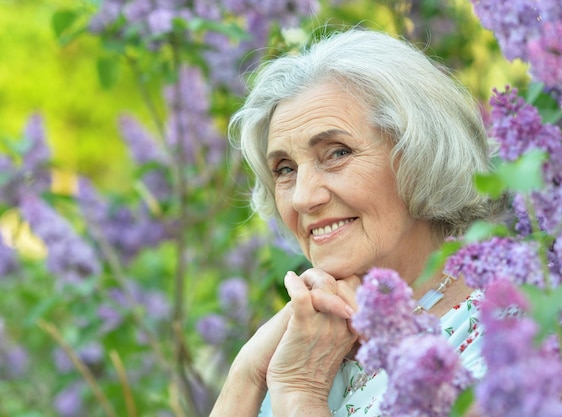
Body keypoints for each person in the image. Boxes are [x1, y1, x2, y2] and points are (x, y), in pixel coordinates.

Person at [210, 27, 503, 417]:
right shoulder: (303, 341)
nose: (303, 196)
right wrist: (246, 375)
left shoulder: (510, 338)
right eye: (284, 169)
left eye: (336, 153)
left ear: (419, 154)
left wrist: (301, 394)